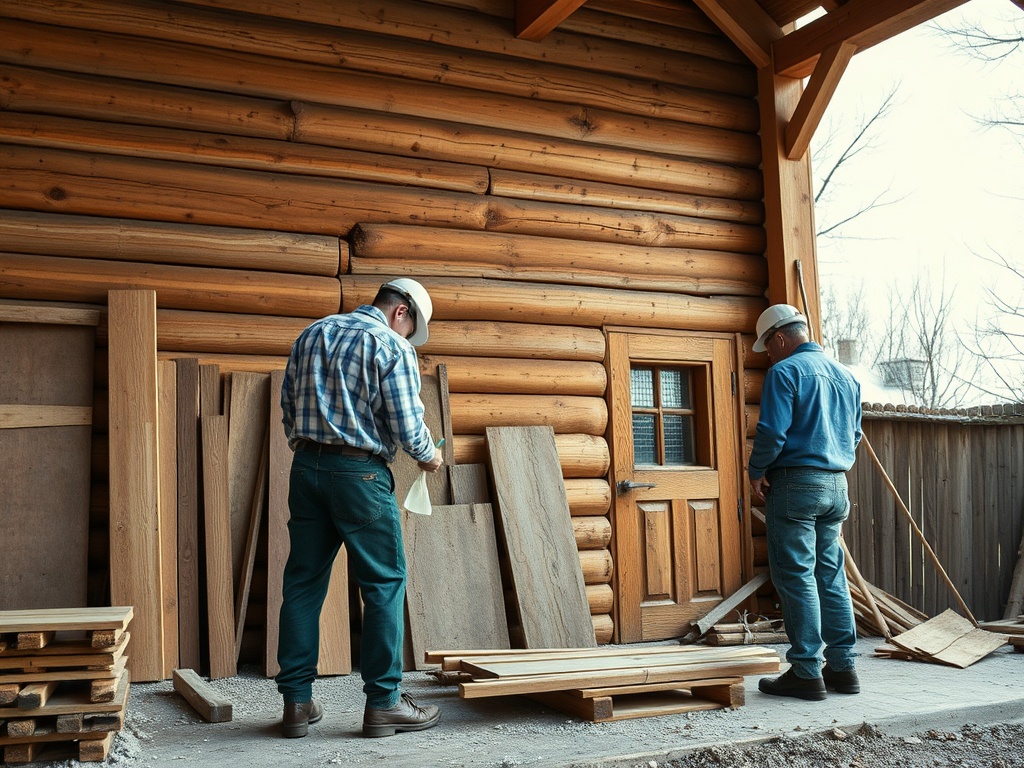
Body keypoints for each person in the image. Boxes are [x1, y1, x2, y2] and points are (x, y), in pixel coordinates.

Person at [276, 278, 444, 738]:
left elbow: (288, 406)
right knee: (383, 584)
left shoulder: (313, 333)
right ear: (401, 313)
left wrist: (310, 447)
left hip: (305, 468)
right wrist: (430, 456)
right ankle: (384, 704)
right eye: (410, 330)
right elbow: (409, 425)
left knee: (304, 583)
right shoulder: (391, 346)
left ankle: (296, 704)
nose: (408, 338)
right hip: (360, 475)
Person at [747, 304, 863, 701]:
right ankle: (843, 668)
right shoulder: (847, 377)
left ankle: (805, 671)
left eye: (769, 347)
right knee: (830, 575)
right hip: (837, 486)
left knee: (796, 575)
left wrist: (755, 470)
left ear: (780, 338)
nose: (771, 356)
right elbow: (856, 435)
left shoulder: (785, 371)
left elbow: (771, 431)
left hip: (796, 484)